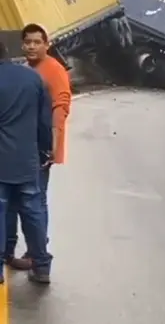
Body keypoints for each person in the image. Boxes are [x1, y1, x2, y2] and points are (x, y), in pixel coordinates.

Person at [5, 23, 71, 273]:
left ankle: (36, 254)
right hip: (23, 148)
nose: (32, 46)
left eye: (37, 42)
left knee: (35, 202)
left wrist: (53, 145)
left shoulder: (53, 70)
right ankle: (31, 252)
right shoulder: (25, 69)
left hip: (41, 150)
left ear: (47, 45)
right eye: (28, 42)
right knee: (23, 202)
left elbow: (61, 107)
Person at [0, 40, 53, 284]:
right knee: (33, 212)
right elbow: (44, 121)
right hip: (27, 159)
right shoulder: (32, 78)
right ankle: (42, 266)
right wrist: (45, 151)